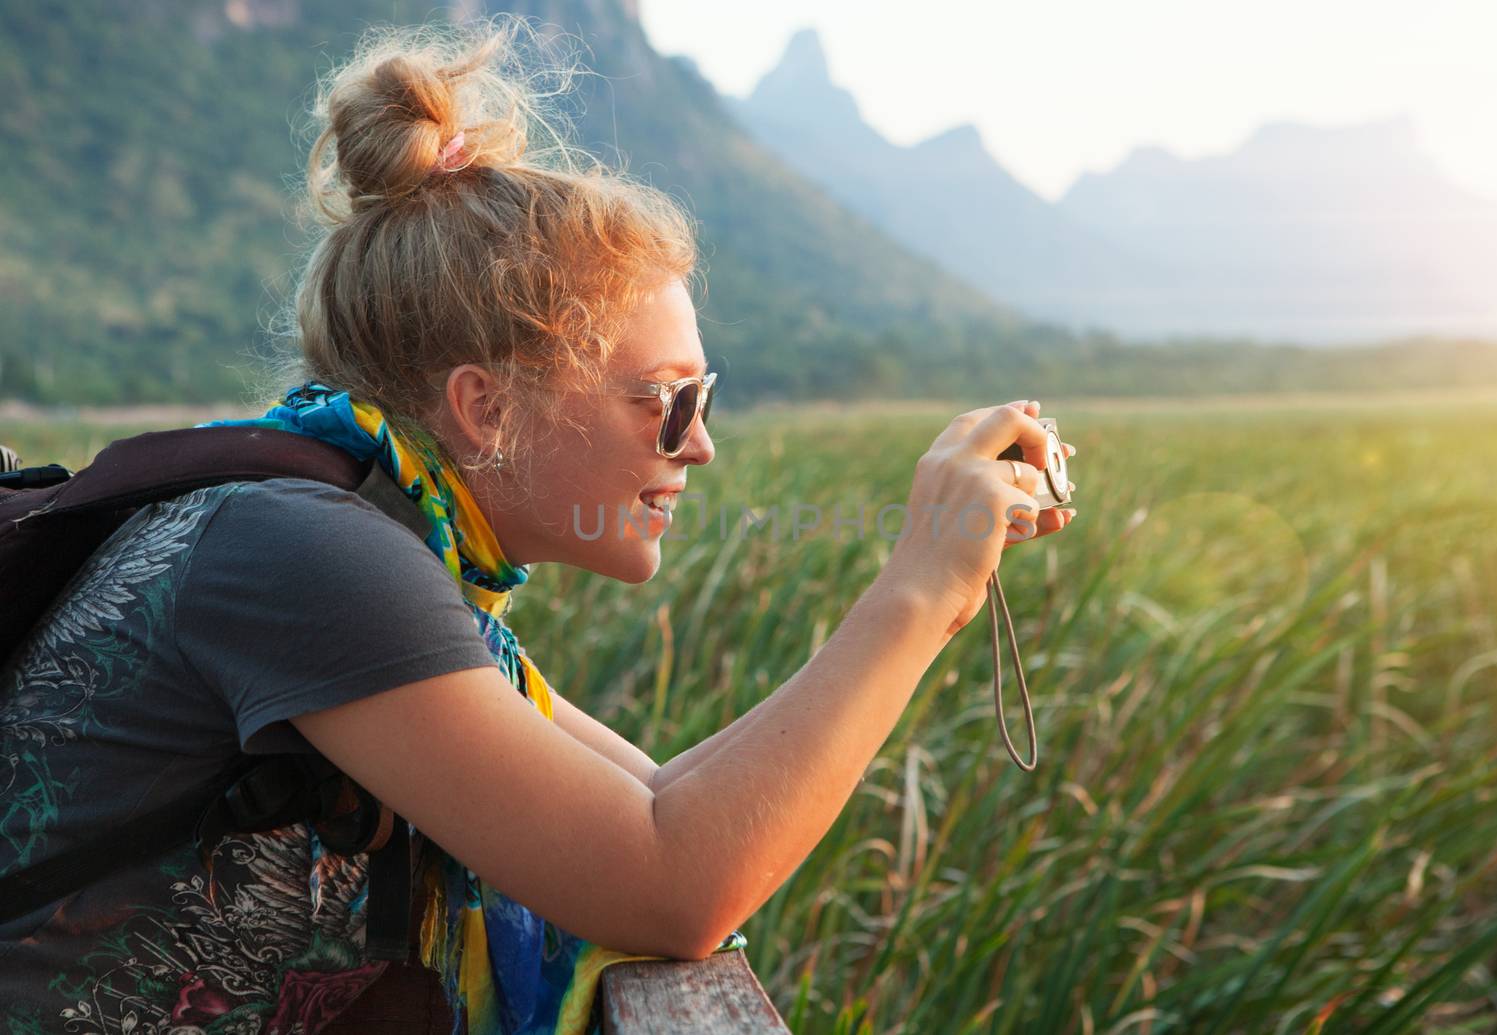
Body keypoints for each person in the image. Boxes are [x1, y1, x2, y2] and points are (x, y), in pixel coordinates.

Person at [0, 18, 1074, 1035]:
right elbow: (669, 884)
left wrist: (941, 582)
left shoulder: (369, 530)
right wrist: (916, 592)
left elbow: (651, 799)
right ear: (487, 408)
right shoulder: (307, 552)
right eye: (669, 400)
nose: (697, 447)